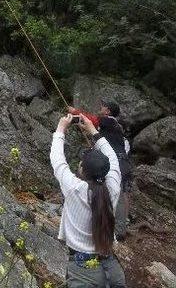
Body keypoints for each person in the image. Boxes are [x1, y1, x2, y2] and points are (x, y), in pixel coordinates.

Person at [50, 114, 126, 288]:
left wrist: (61, 128)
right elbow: (112, 156)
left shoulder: (75, 188)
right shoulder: (113, 185)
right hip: (112, 270)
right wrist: (93, 130)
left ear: (82, 170)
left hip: (83, 272)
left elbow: (57, 159)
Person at [68, 100, 133, 238]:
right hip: (125, 163)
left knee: (108, 190)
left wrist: (74, 112)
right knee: (123, 194)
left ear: (107, 111)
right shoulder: (117, 127)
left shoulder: (107, 121)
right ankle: (120, 229)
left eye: (103, 106)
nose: (100, 107)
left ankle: (98, 223)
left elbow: (89, 120)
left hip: (114, 162)